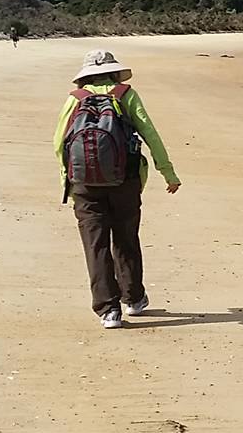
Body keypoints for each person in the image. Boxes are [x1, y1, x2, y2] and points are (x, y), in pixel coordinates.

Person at [54, 50, 182, 329]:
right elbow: (150, 133)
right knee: (126, 237)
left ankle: (108, 310)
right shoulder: (126, 95)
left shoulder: (75, 99)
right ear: (114, 72)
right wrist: (167, 172)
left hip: (84, 184)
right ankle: (133, 299)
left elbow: (59, 142)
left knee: (95, 243)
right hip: (125, 179)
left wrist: (69, 181)